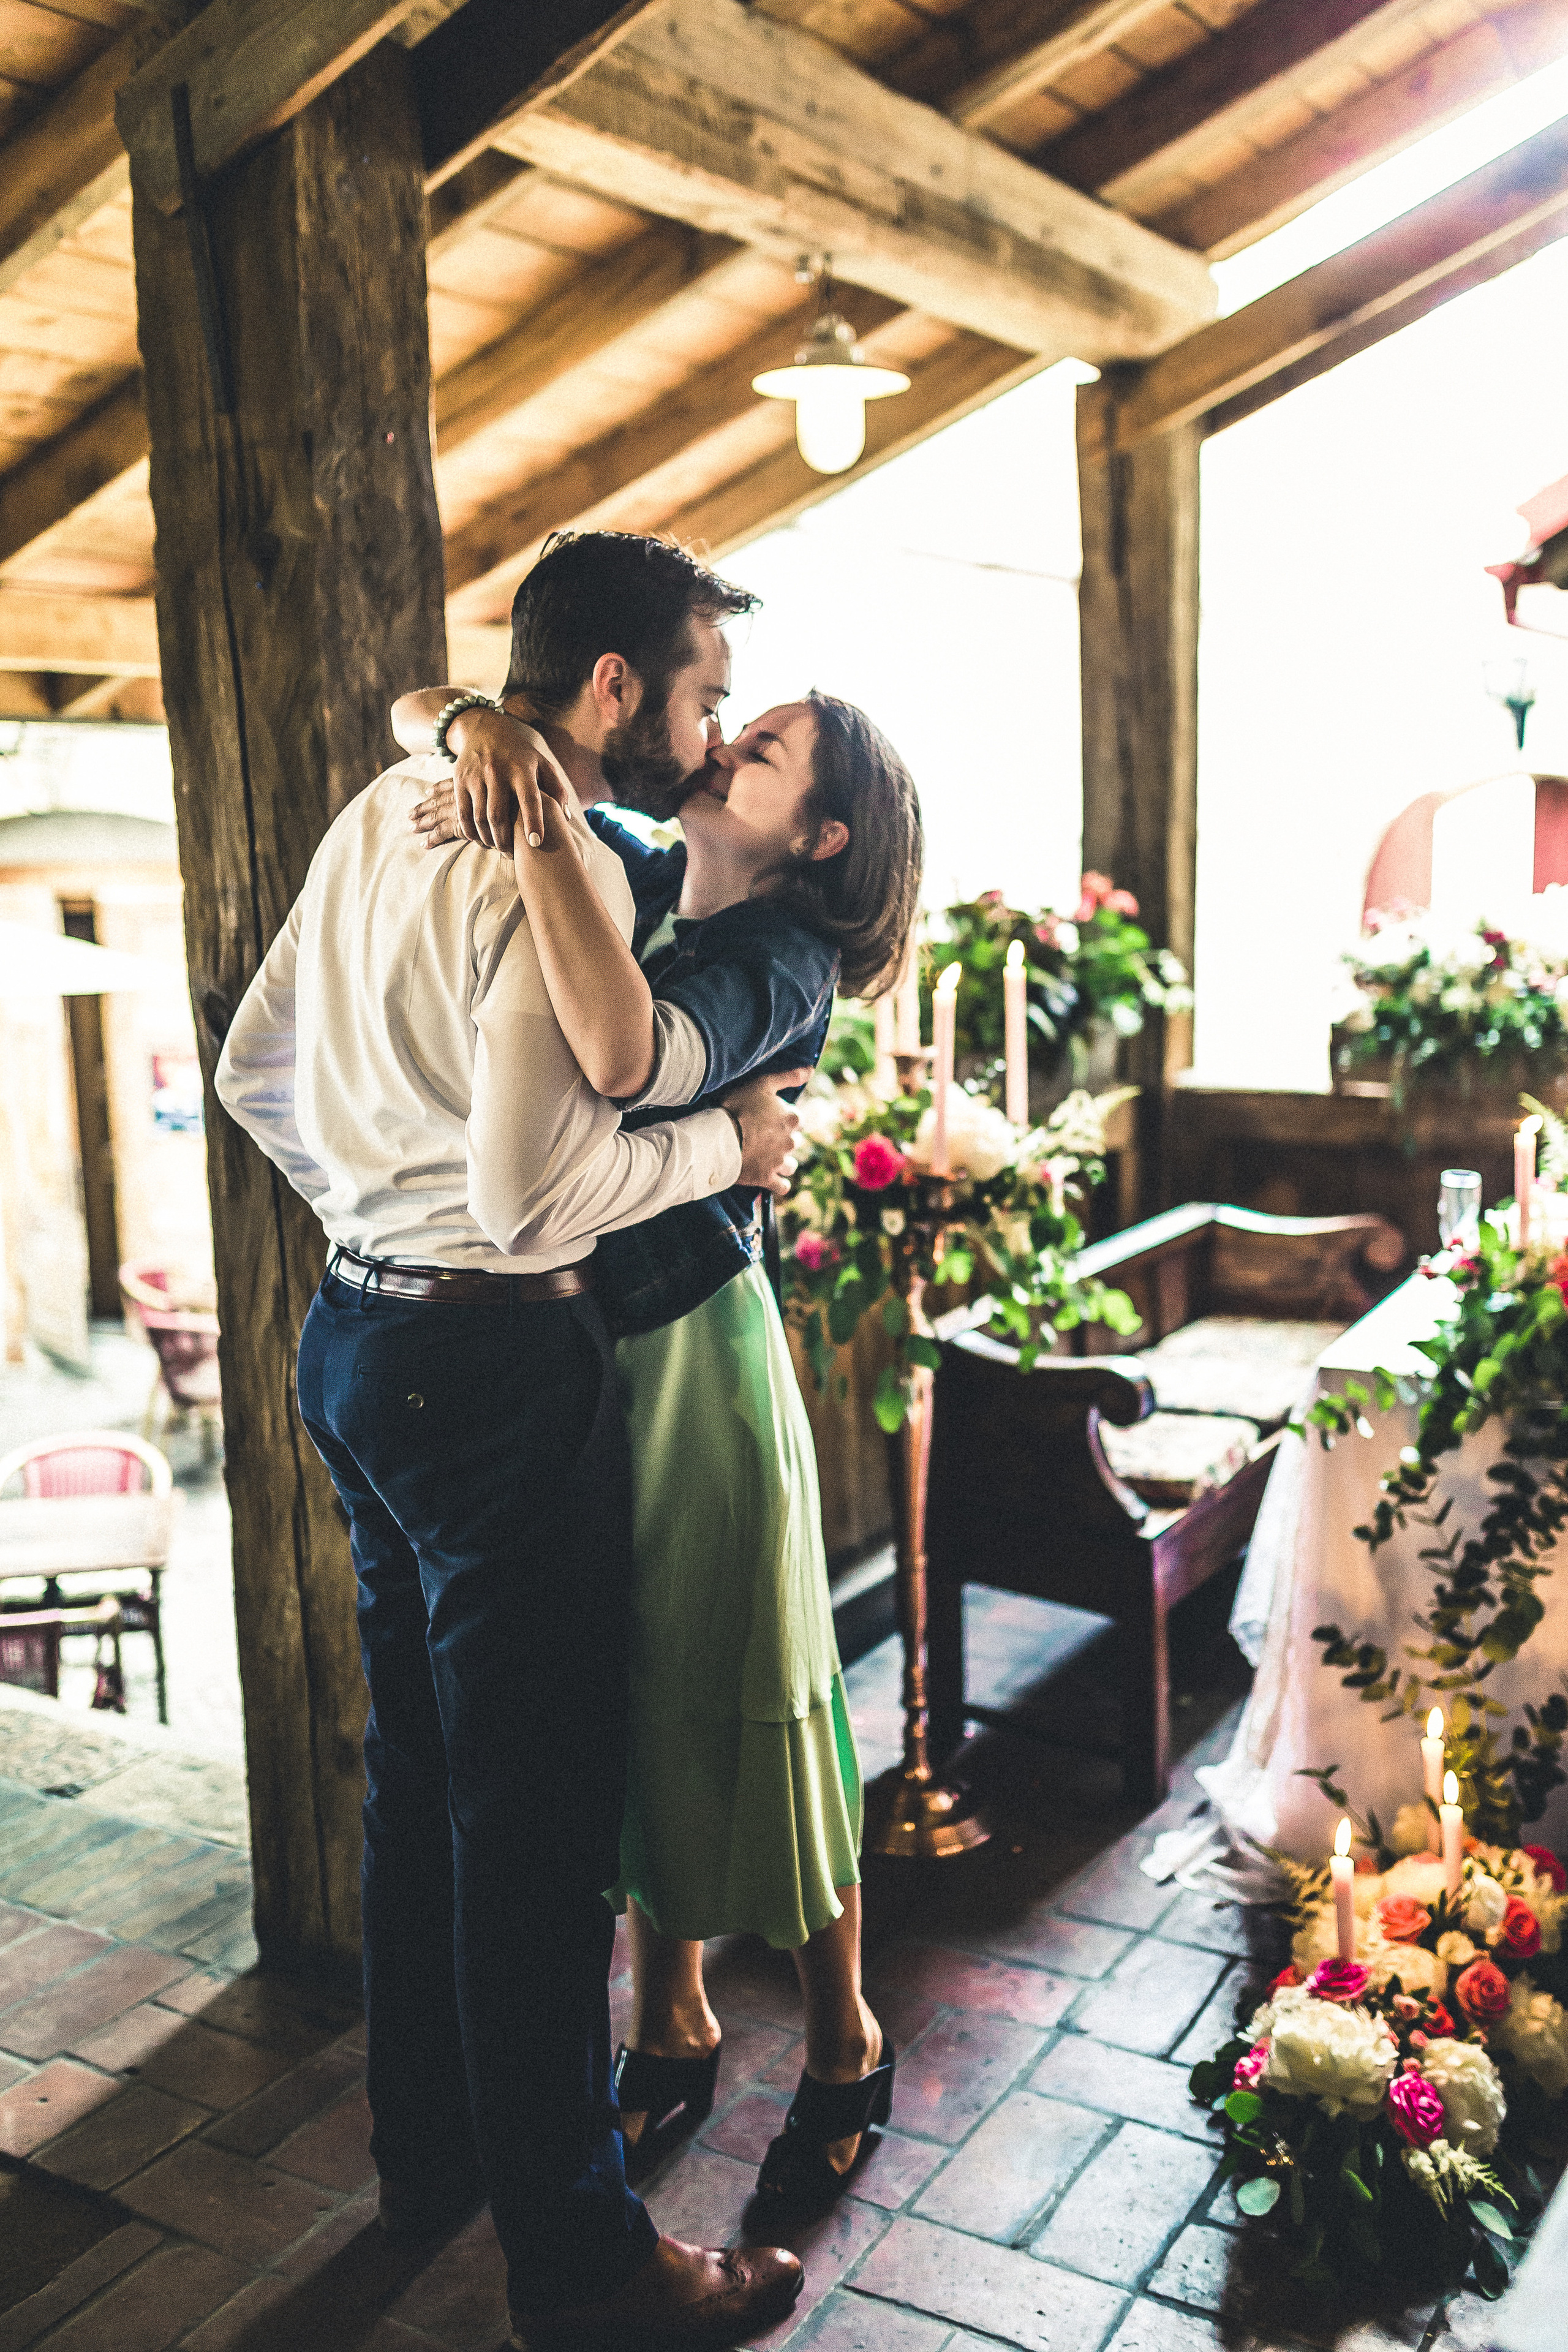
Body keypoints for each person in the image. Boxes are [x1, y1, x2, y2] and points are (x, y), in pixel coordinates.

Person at [213, 537, 810, 2352]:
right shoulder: (587, 875)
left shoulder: (386, 803)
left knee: (417, 1789)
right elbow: (537, 1186)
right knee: (534, 1828)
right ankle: (583, 2266)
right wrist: (732, 1152)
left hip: (351, 1343)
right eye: (707, 695)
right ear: (617, 687)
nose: (709, 739)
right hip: (486, 1379)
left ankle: (429, 2158)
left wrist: (382, 1239)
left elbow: (255, 1068)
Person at [391, 532, 922, 2212]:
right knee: (627, 1687)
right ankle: (676, 2022)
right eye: (724, 721)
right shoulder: (634, 856)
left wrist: (523, 799)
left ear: (816, 835)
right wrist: (466, 725)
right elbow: (434, 717)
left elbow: (632, 1060)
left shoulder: (782, 965)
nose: (718, 745)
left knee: (759, 1684)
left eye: (757, 751)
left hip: (701, 1357)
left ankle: (843, 2038)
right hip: (594, 1347)